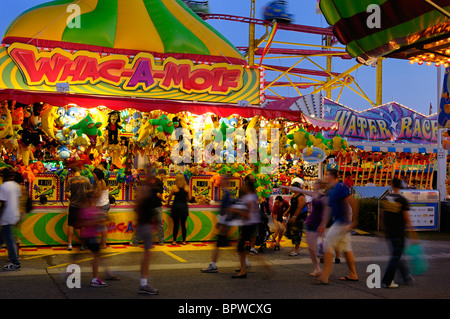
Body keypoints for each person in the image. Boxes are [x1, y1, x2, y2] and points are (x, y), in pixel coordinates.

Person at [317, 169, 359, 284]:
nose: (326, 177)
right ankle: (353, 274)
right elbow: (328, 209)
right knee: (346, 248)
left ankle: (325, 276)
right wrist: (323, 224)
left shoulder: (340, 187)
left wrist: (354, 222)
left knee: (327, 244)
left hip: (341, 222)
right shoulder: (331, 190)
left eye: (327, 174)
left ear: (334, 176)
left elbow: (353, 202)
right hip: (341, 223)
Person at [283, 179, 327, 276]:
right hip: (311, 221)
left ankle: (322, 259)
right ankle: (317, 268)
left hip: (318, 222)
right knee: (311, 247)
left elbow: (326, 212)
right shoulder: (313, 194)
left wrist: (323, 224)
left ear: (321, 185)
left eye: (316, 183)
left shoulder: (324, 197)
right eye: (314, 183)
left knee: (318, 245)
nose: (314, 185)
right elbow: (300, 190)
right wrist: (285, 187)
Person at [380, 178, 417, 288]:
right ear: (400, 186)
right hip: (399, 233)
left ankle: (406, 276)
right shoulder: (402, 200)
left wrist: (382, 231)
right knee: (396, 256)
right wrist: (413, 234)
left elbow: (382, 217)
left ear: (392, 186)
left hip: (389, 233)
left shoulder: (385, 199)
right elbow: (407, 219)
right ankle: (387, 281)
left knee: (397, 255)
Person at [78, 192, 118, 287]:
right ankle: (95, 279)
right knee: (96, 257)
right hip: (89, 236)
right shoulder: (87, 210)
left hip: (90, 236)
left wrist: (104, 219)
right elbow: (86, 223)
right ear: (89, 199)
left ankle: (107, 273)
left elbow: (99, 218)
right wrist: (97, 222)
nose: (95, 199)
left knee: (96, 255)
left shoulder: (92, 209)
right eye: (93, 197)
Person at [228, 175, 263, 279]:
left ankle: (244, 270)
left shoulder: (248, 197)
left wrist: (235, 210)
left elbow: (247, 213)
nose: (241, 188)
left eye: (243, 187)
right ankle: (244, 268)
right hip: (249, 223)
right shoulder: (253, 195)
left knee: (240, 247)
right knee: (241, 247)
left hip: (249, 223)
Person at [201, 174, 235, 273]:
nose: (221, 181)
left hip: (224, 223)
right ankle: (244, 260)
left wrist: (221, 223)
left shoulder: (227, 194)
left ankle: (213, 265)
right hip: (224, 223)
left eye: (223, 180)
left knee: (218, 245)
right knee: (227, 244)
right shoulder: (226, 193)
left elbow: (227, 210)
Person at [135, 169, 160, 295]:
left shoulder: (144, 189)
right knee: (147, 255)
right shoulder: (147, 189)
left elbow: (137, 206)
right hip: (145, 225)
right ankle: (143, 284)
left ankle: (143, 282)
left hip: (143, 224)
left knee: (146, 254)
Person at [65, 166, 92, 251]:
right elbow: (90, 192)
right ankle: (82, 245)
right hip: (83, 206)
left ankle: (69, 244)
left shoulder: (70, 180)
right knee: (83, 226)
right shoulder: (87, 179)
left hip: (73, 205)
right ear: (79, 171)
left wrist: (72, 198)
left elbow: (66, 193)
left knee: (71, 225)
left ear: (72, 172)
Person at [0, 169, 22, 271]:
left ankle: (15, 262)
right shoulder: (16, 186)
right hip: (15, 215)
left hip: (6, 216)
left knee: (9, 239)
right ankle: (14, 261)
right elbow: (18, 199)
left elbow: (3, 203)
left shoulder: (3, 187)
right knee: (2, 237)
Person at [283, 179, 307, 257]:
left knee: (297, 232)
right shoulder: (294, 195)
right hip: (294, 216)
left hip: (299, 217)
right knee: (291, 231)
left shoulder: (301, 196)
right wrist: (287, 212)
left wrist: (294, 217)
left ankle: (296, 249)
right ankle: (295, 247)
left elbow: (299, 207)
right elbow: (292, 206)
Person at [167, 174, 191, 245]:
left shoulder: (174, 187)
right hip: (184, 207)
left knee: (176, 225)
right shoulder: (187, 187)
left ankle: (174, 241)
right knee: (183, 225)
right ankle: (184, 241)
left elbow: (170, 197)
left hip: (176, 207)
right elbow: (189, 198)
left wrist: (168, 203)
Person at [92, 168, 110, 249]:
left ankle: (103, 244)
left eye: (94, 175)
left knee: (101, 226)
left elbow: (98, 195)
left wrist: (91, 195)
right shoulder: (105, 181)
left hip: (101, 205)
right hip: (106, 203)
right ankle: (103, 243)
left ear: (97, 175)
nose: (93, 176)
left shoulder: (99, 182)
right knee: (103, 226)